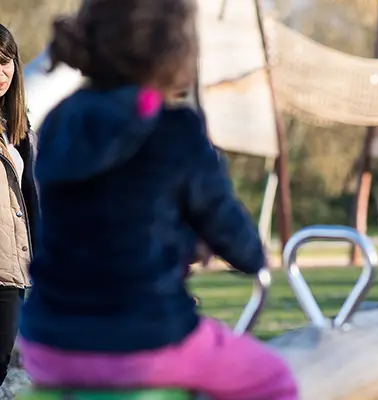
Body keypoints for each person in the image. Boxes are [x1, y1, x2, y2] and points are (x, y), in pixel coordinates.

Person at [17, 0, 297, 398]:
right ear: (177, 48)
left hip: (49, 344)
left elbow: (103, 217)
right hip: (145, 342)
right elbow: (235, 239)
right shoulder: (176, 128)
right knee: (273, 379)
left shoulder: (61, 121)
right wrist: (250, 252)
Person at [0, 23, 38, 387]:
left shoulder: (19, 127)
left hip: (14, 270)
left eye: (6, 61)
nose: (1, 72)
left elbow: (30, 201)